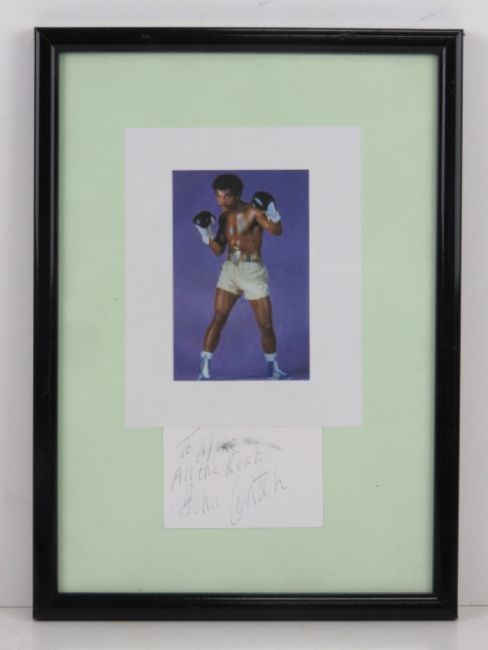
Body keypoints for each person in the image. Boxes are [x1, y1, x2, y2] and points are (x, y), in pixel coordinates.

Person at [193, 173, 288, 381]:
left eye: (226, 197)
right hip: (230, 270)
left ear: (237, 195)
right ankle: (204, 369)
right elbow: (218, 250)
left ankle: (273, 369)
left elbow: (276, 230)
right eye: (218, 196)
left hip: (252, 271)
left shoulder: (253, 212)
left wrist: (272, 212)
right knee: (218, 317)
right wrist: (206, 235)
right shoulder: (223, 217)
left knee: (266, 325)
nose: (221, 201)